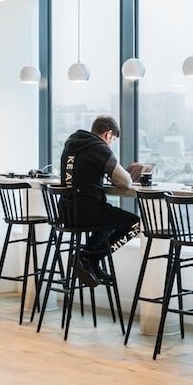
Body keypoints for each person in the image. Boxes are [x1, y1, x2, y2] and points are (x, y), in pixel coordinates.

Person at [60, 115, 141, 287]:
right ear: (108, 134)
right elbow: (126, 181)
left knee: (108, 219)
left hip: (66, 212)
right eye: (112, 140)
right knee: (136, 224)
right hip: (87, 212)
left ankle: (90, 261)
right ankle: (88, 257)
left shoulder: (72, 144)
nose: (110, 144)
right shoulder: (98, 147)